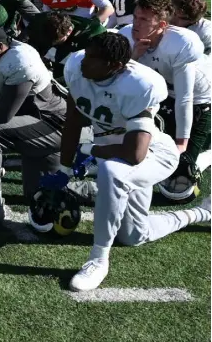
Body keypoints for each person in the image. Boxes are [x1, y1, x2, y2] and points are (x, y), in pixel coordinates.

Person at [50, 34, 209, 292]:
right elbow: (73, 120)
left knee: (113, 171)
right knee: (134, 235)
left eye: (93, 59)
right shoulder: (77, 67)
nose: (83, 62)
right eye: (86, 53)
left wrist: (89, 149)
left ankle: (98, 260)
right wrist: (65, 169)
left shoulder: (139, 86)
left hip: (153, 154)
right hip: (114, 149)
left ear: (114, 66)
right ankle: (203, 213)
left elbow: (135, 154)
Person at [0, 24, 65, 224]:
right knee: (38, 193)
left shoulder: (19, 61)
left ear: (0, 47)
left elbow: (3, 114)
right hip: (31, 122)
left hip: (53, 124)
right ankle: (86, 189)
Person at [120, 0, 210, 163]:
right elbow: (119, 82)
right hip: (163, 93)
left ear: (161, 25)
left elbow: (185, 97)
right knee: (148, 150)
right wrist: (134, 57)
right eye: (135, 17)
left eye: (144, 19)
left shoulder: (180, 42)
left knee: (182, 167)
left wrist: (181, 143)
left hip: (199, 98)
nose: (136, 24)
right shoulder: (127, 35)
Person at [26, 10, 105, 80]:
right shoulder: (40, 20)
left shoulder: (91, 33)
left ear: (69, 31)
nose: (53, 43)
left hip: (77, 55)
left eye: (56, 40)